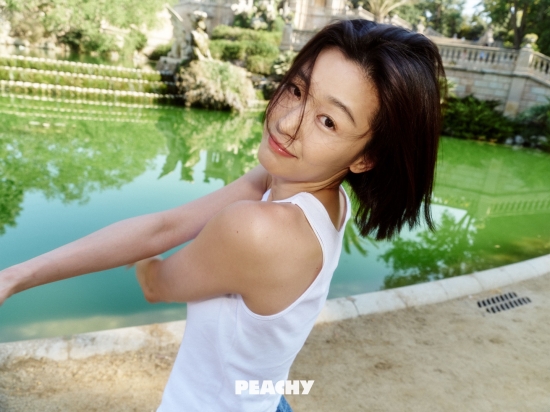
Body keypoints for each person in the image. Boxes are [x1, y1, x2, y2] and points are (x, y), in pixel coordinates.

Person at [0, 19, 444, 412]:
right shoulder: (317, 193)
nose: (287, 123)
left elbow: (156, 282)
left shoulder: (259, 230)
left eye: (328, 121)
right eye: (296, 90)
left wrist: (141, 256)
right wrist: (13, 277)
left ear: (366, 158)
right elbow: (167, 227)